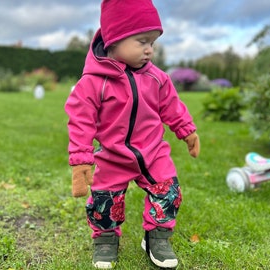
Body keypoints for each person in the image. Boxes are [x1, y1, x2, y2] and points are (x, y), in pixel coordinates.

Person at [65, 0, 200, 268]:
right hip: (113, 156)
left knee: (168, 192)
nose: (150, 49)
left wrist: (187, 131)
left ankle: (157, 237)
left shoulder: (158, 78)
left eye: (153, 42)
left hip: (153, 152)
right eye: (142, 41)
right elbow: (80, 121)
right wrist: (81, 160)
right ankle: (105, 240)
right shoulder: (93, 82)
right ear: (114, 40)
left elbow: (172, 107)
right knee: (104, 201)